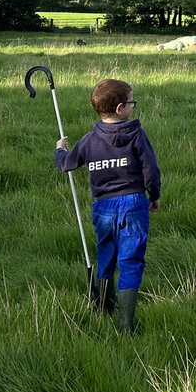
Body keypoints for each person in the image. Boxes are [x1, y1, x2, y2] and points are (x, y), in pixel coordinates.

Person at [55, 78, 160, 334]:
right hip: (134, 204)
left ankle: (103, 306)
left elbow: (66, 164)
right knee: (131, 259)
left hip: (103, 208)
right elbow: (151, 169)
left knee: (106, 254)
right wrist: (154, 195)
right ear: (120, 108)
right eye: (132, 102)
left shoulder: (89, 140)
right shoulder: (137, 135)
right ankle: (125, 325)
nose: (134, 106)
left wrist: (59, 149)